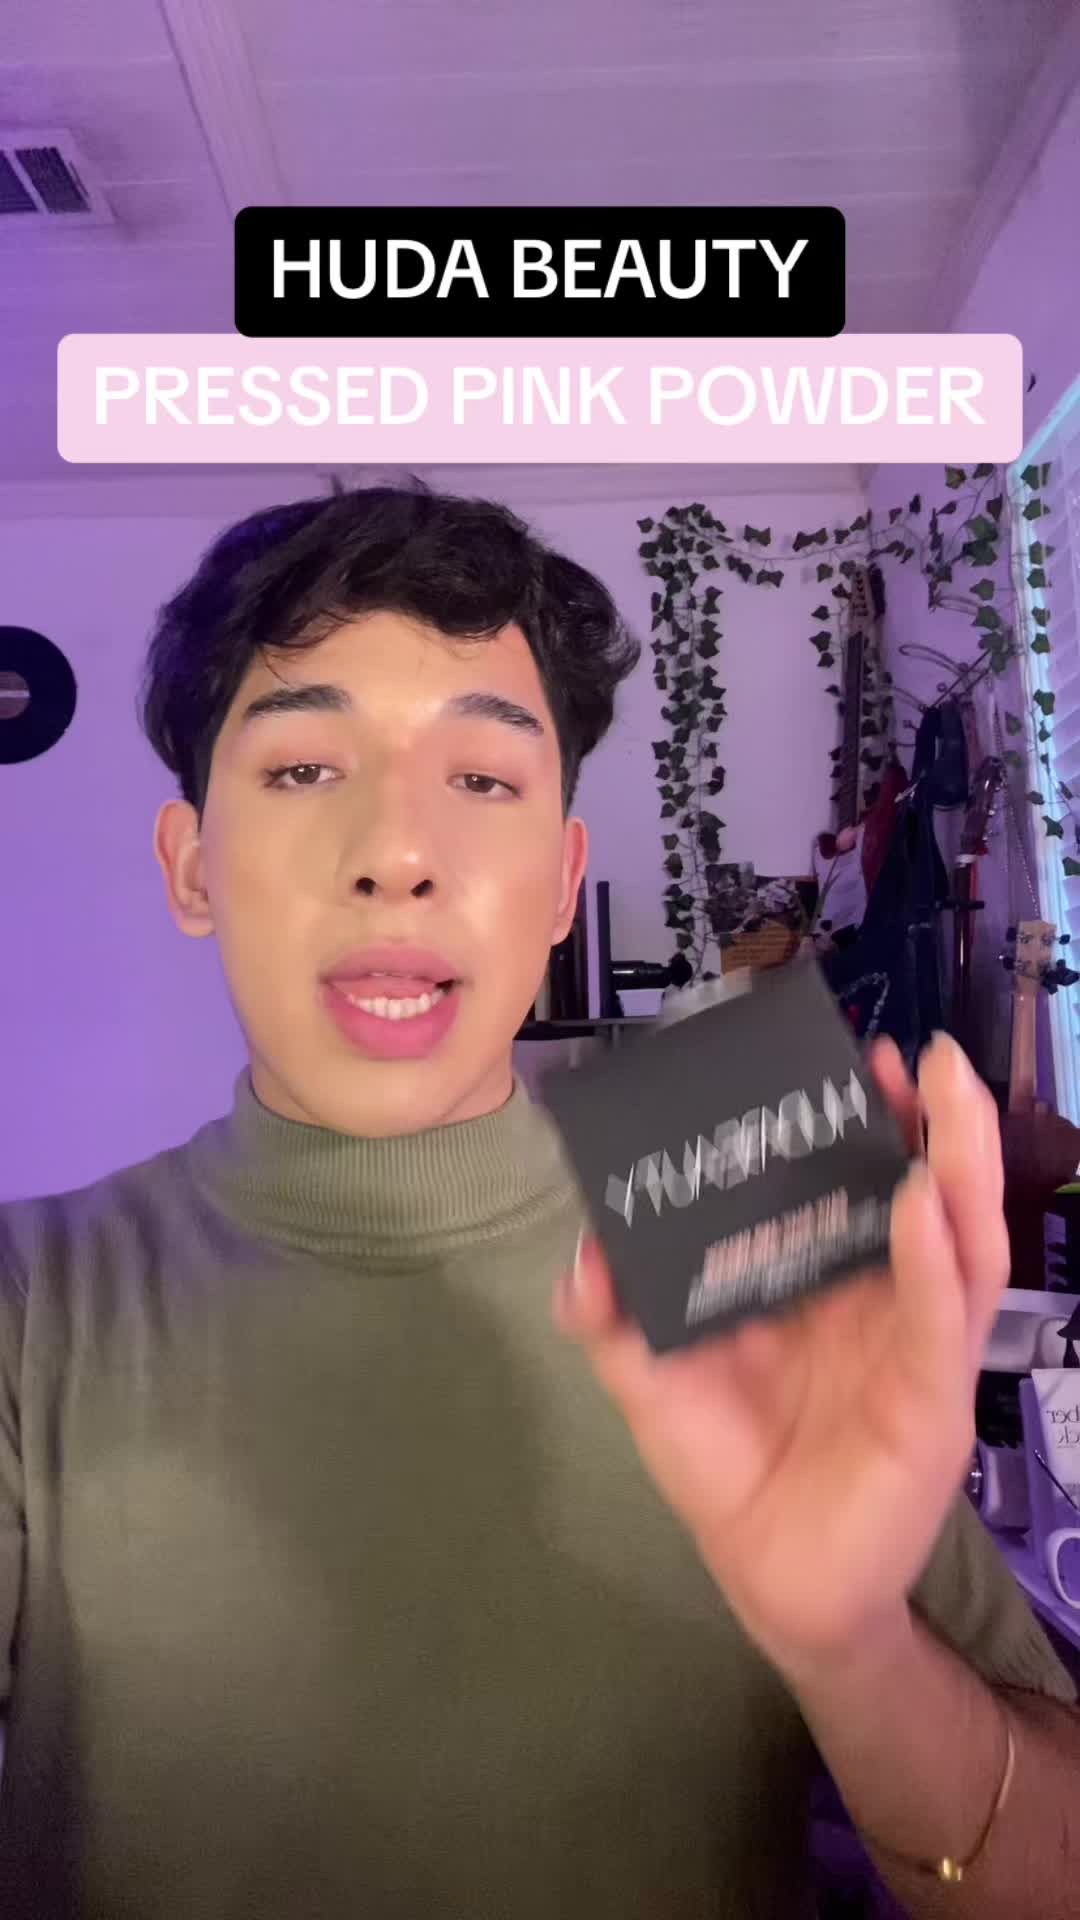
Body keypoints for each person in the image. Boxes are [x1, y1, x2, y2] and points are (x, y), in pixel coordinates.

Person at [0, 482, 1076, 1919]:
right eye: (305, 768)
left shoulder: (742, 1187)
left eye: (485, 780)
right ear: (193, 867)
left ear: (565, 882)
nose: (398, 854)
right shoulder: (33, 1295)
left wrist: (853, 1644)